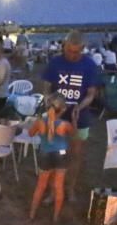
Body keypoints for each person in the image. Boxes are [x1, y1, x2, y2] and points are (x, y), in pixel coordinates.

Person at [41, 30, 100, 200]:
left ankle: (70, 188)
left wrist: (79, 107)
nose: (72, 55)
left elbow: (91, 94)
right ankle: (53, 191)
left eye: (76, 51)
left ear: (82, 48)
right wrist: (49, 102)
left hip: (79, 118)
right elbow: (46, 88)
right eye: (69, 50)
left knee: (75, 156)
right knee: (55, 155)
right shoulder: (54, 63)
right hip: (57, 119)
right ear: (64, 46)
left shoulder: (89, 65)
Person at [27, 93, 74, 223]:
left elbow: (30, 134)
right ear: (63, 109)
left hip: (45, 154)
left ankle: (32, 214)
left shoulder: (40, 122)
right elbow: (74, 135)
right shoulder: (65, 124)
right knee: (59, 186)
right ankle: (56, 216)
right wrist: (74, 120)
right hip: (61, 155)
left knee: (40, 186)